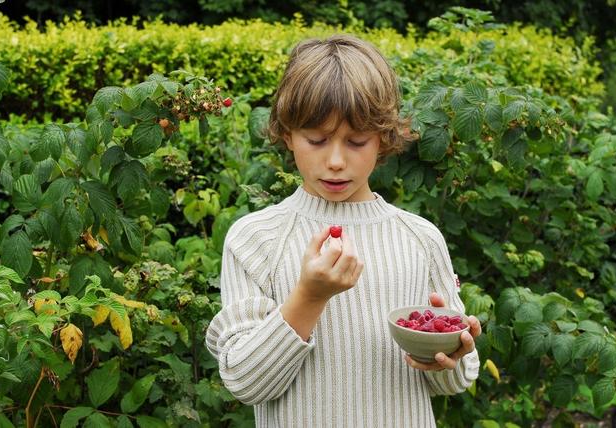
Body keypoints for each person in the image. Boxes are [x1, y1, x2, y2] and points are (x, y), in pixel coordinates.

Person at [205, 34, 481, 427]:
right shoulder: (256, 239)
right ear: (287, 134)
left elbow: (455, 379)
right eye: (316, 140)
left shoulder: (419, 238)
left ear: (383, 139)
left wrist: (447, 351)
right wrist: (308, 297)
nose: (335, 160)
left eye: (356, 141)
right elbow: (246, 382)